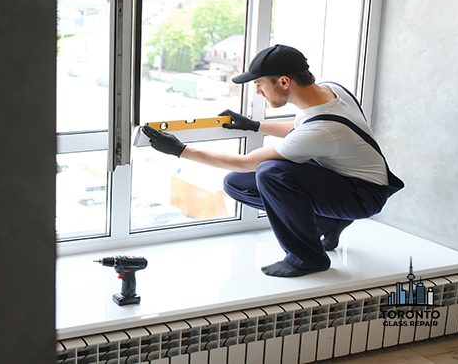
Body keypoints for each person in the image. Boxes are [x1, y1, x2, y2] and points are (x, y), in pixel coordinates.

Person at [142, 44, 404, 277]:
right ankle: (330, 222)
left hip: (362, 196)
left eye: (260, 85)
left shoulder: (322, 130)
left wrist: (181, 150)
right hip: (351, 180)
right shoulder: (331, 91)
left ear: (284, 82)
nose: (258, 92)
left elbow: (248, 161)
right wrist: (254, 125)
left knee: (269, 173)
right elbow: (302, 128)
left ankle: (307, 259)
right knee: (237, 184)